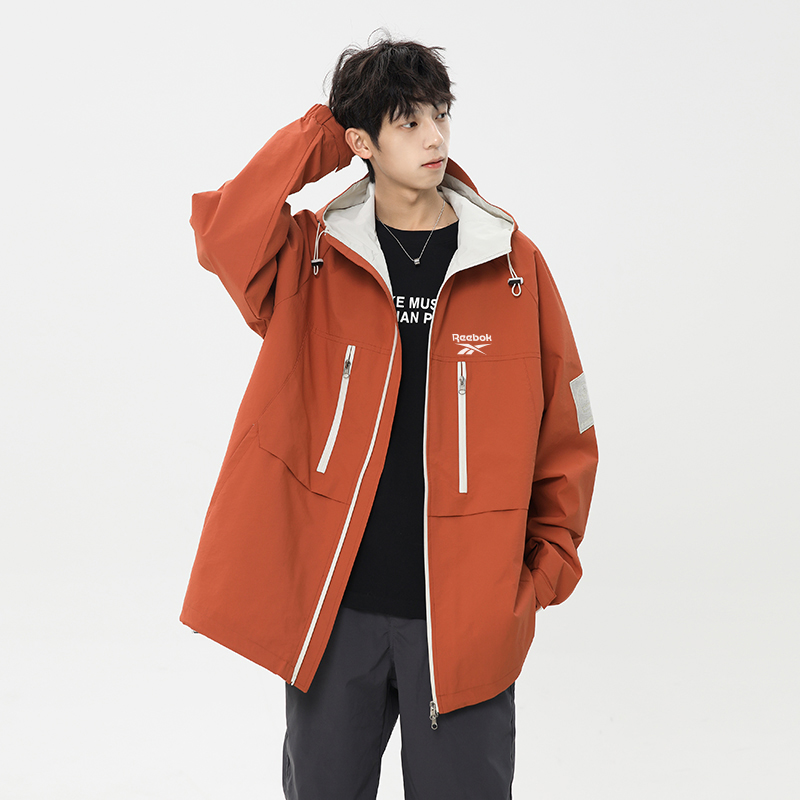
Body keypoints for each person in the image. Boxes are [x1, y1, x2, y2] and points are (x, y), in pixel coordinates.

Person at [181, 35, 598, 800]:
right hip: (336, 616)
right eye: (408, 122)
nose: (436, 137)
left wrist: (542, 573)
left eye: (440, 114)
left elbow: (566, 427)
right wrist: (321, 132)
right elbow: (222, 228)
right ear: (362, 143)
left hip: (467, 625)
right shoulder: (312, 259)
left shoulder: (511, 265)